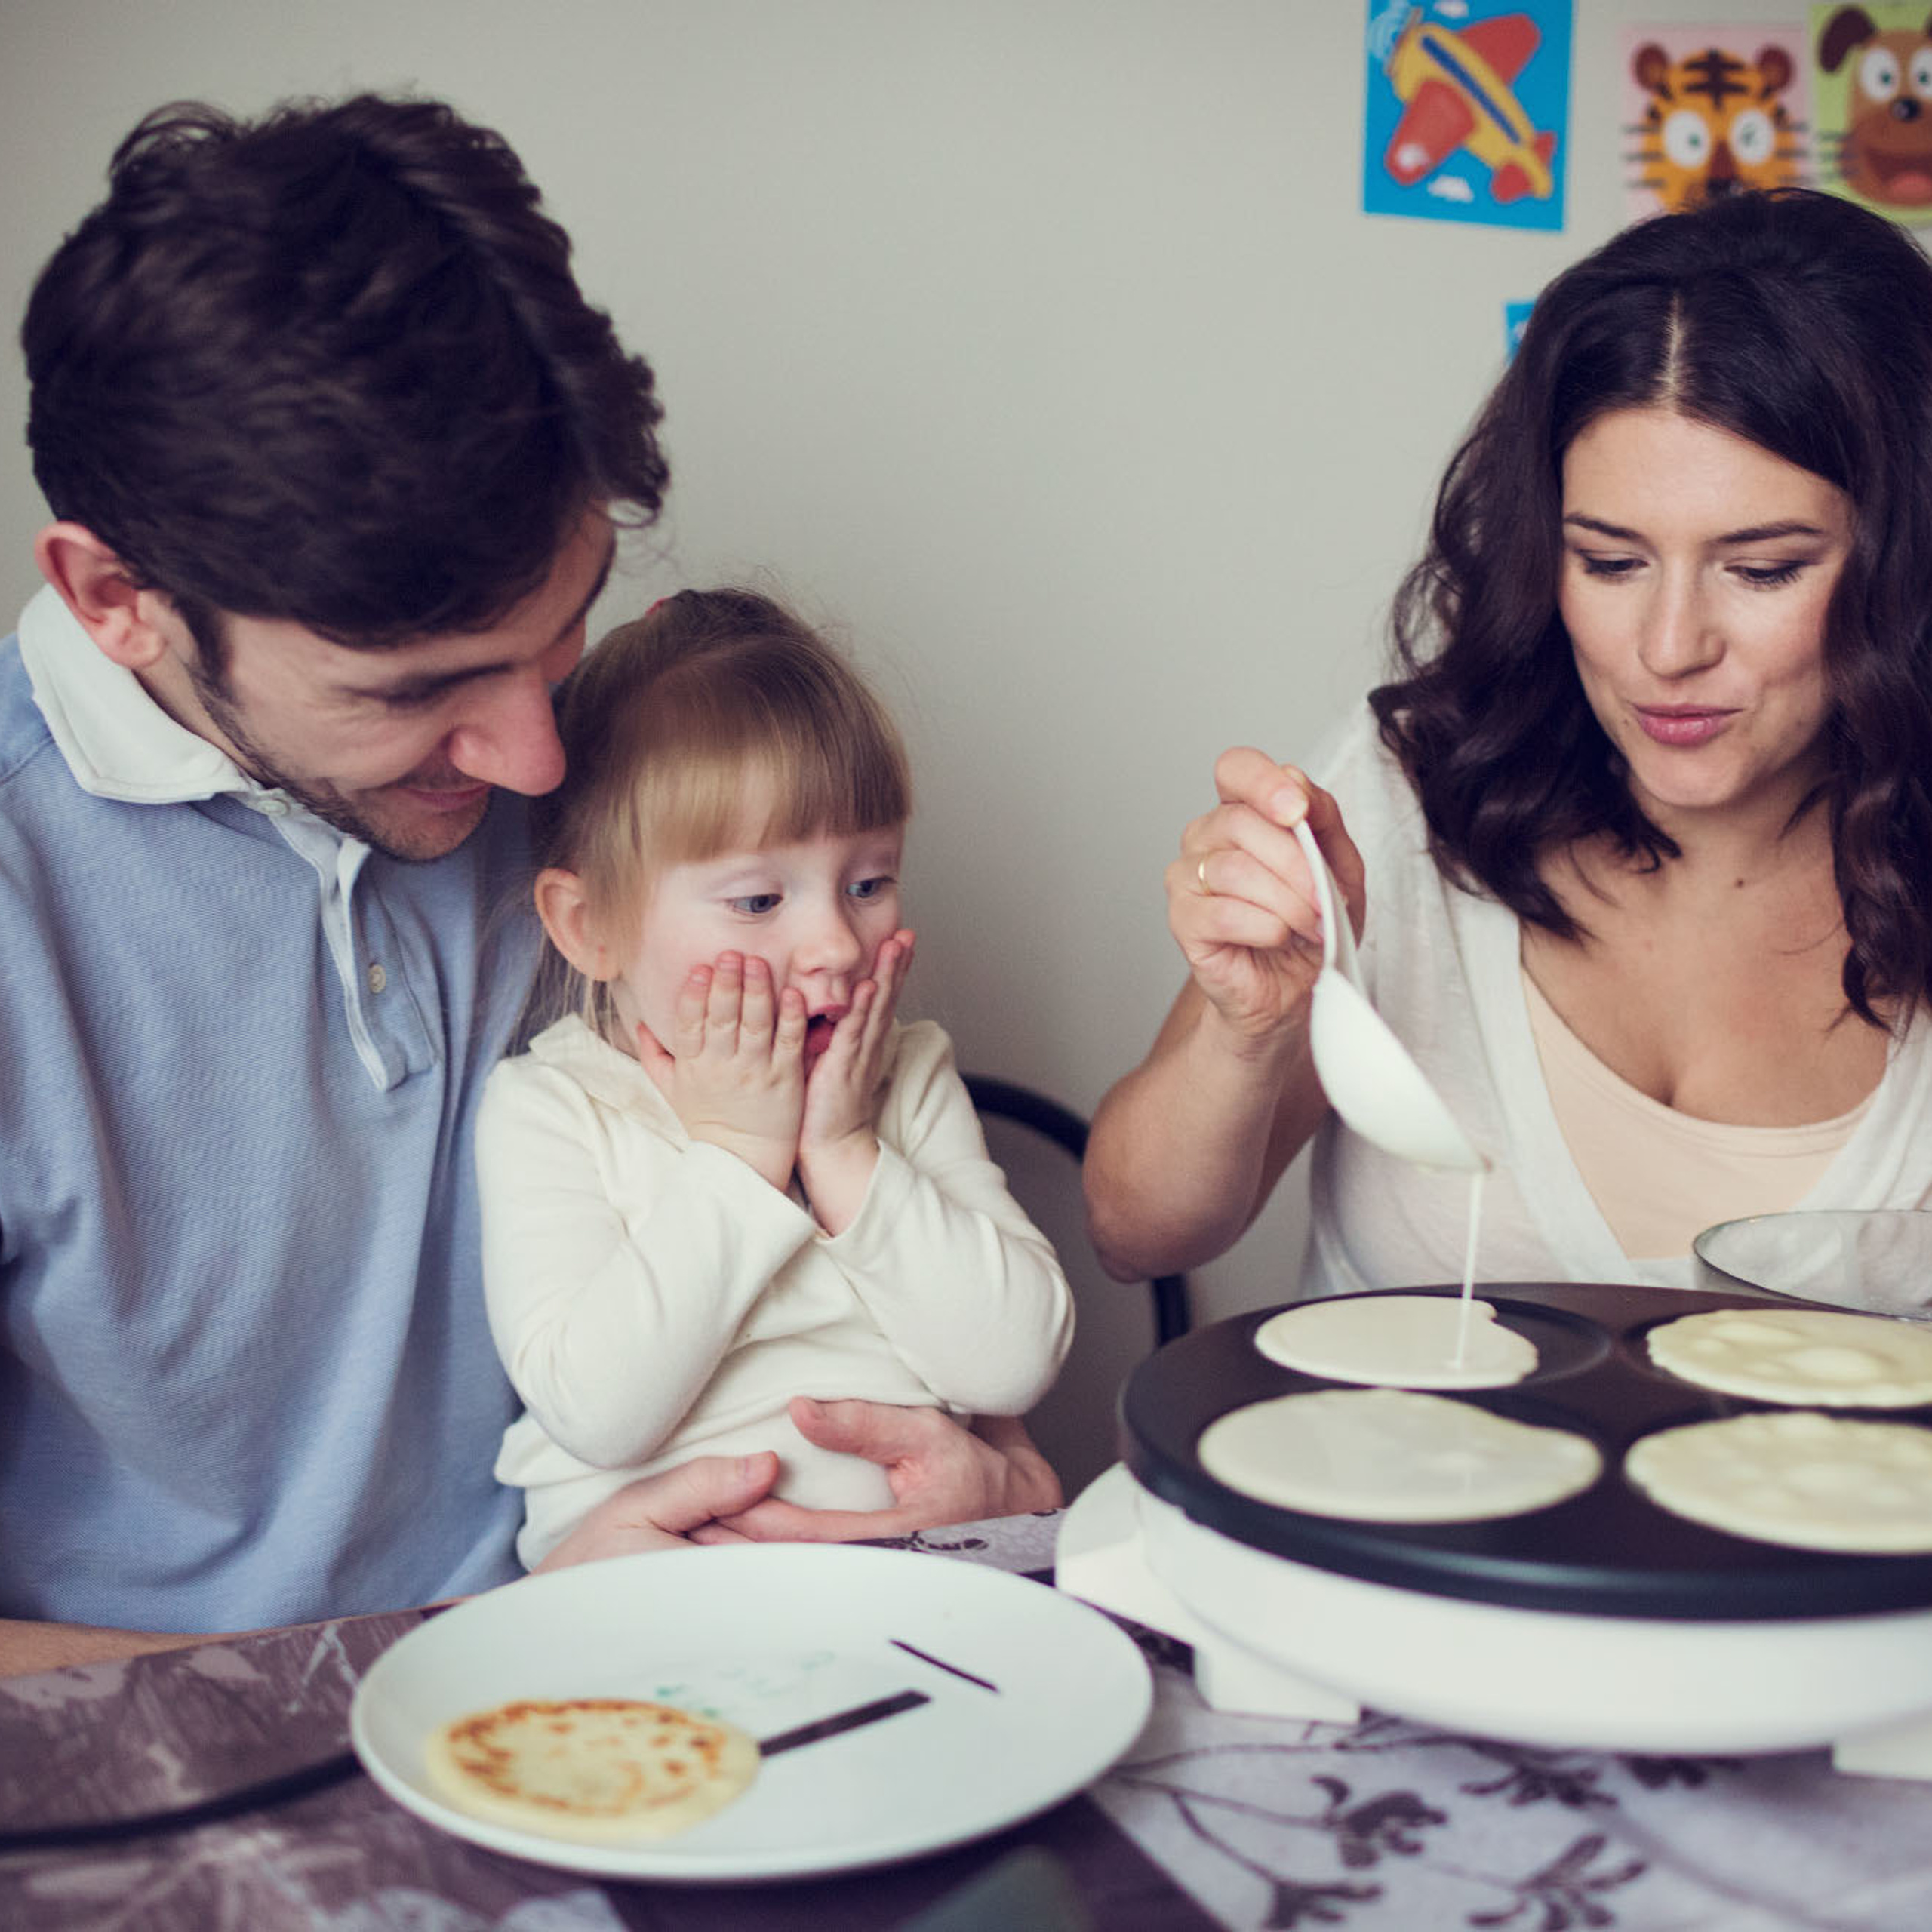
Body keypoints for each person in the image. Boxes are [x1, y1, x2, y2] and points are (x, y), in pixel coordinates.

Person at [0, 92, 1055, 1678]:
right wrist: (462, 1650)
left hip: (686, 1673)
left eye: (555, 636)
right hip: (203, 1760)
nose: (533, 760)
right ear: (114, 599)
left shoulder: (627, 797)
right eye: (415, 688)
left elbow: (914, 1326)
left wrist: (998, 1489)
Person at [1085, 187, 1932, 1300]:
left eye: (1762, 569)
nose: (1667, 648)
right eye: (1611, 561)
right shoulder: (1414, 794)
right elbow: (1136, 1235)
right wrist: (1250, 1031)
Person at [478, 590, 1075, 1566]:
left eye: (870, 882)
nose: (837, 943)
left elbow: (1010, 1366)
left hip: (925, 1584)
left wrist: (841, 1150)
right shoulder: (556, 1108)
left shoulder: (902, 1073)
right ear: (592, 929)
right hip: (662, 1601)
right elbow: (599, 1413)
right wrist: (740, 1155)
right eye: (758, 899)